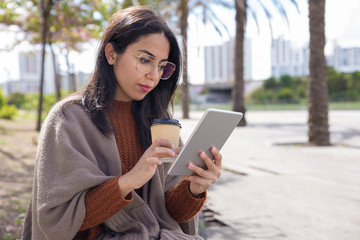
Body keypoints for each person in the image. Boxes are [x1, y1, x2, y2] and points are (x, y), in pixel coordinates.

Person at [21, 6, 222, 240]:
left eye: (161, 66)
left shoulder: (159, 121)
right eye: (145, 60)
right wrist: (130, 181)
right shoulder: (69, 117)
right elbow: (58, 223)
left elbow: (168, 215)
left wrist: (194, 189)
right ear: (111, 54)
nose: (154, 75)